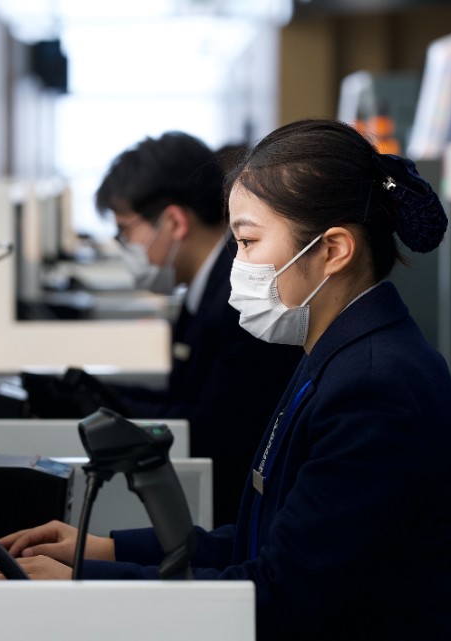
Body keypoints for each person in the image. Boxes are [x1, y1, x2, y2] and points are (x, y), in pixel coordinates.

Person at [0, 119, 451, 640]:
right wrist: (104, 548)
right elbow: (271, 538)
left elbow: (279, 596)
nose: (238, 264)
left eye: (248, 242)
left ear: (333, 250)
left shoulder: (375, 388)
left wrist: (85, 581)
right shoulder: (339, 350)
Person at [88, 132, 302, 525]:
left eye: (126, 232)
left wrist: (108, 405)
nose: (125, 247)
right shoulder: (203, 289)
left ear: (173, 221)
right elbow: (185, 397)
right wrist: (104, 397)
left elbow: (212, 430)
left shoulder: (241, 304)